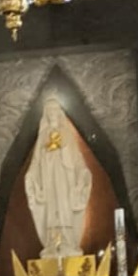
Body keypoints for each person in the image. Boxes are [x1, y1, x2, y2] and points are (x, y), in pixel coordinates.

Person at [25, 95, 92, 258]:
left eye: (55, 109)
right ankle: (52, 243)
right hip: (48, 181)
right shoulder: (43, 136)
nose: (52, 112)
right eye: (49, 110)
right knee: (52, 212)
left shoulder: (67, 134)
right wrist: (31, 177)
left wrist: (81, 174)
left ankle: (68, 242)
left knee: (64, 210)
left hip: (65, 180)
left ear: (59, 112)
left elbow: (77, 160)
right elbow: (36, 161)